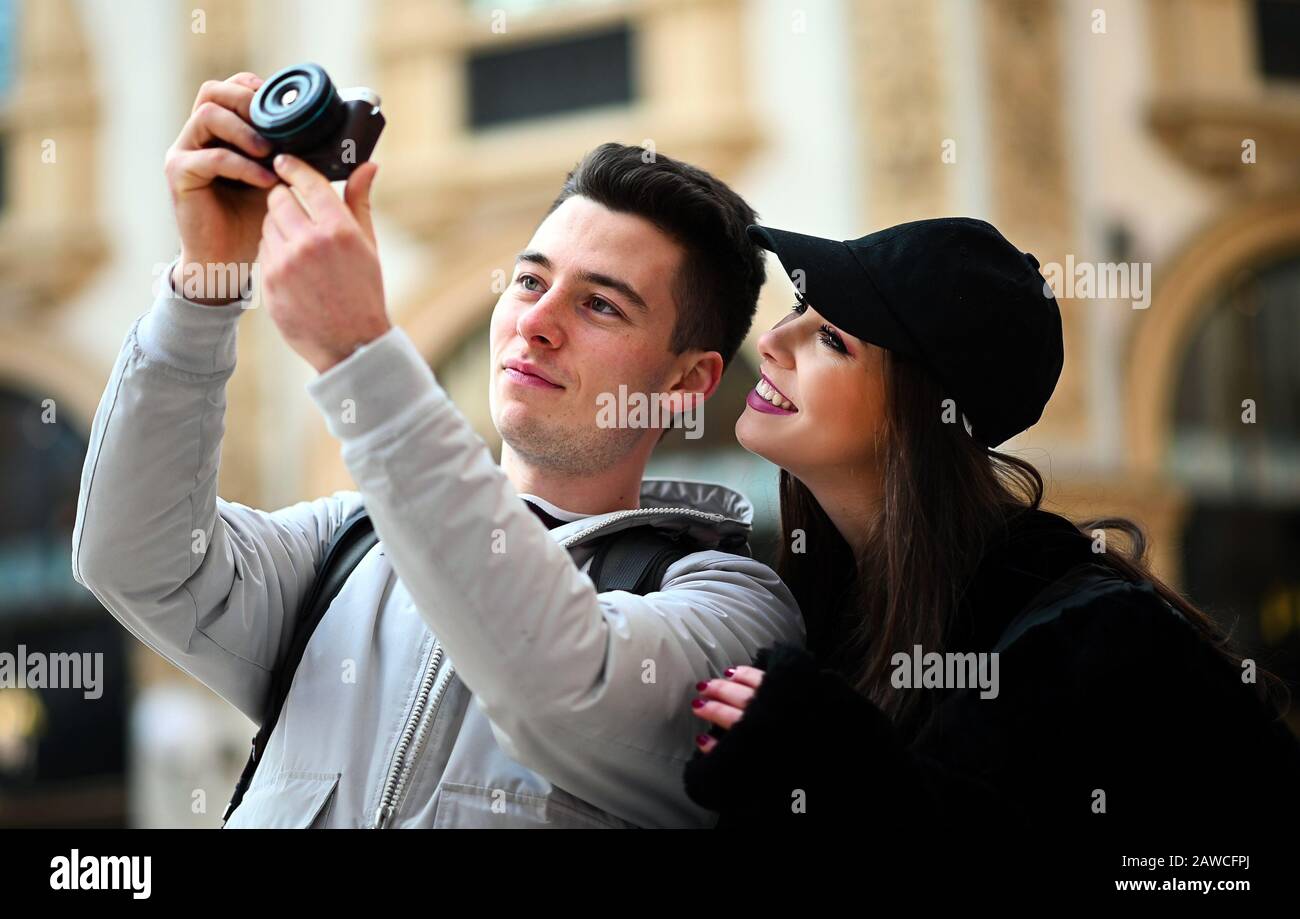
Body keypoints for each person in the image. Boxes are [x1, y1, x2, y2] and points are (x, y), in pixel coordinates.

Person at [72, 71, 803, 828]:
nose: (536, 322)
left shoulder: (735, 610)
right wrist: (205, 283)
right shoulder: (347, 544)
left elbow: (561, 688)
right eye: (529, 280)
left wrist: (361, 350)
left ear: (686, 383)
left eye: (600, 304)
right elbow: (133, 558)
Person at [682, 217, 1300, 832]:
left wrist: (855, 782)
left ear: (921, 417)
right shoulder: (811, 611)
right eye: (798, 307)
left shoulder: (1102, 642)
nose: (773, 340)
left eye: (834, 339)